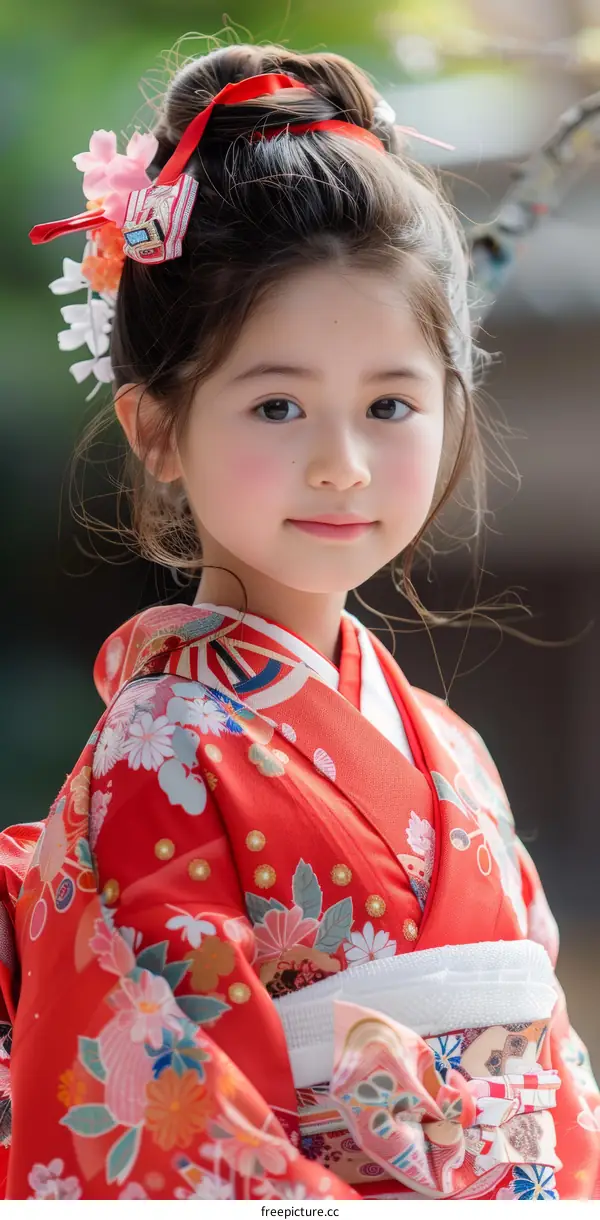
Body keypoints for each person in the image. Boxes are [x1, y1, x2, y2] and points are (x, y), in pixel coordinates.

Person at [1, 42, 598, 1201]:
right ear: (157, 429)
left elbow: (555, 1092)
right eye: (277, 403)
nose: (340, 463)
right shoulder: (159, 756)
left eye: (389, 403)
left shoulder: (451, 749)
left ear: (449, 408)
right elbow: (168, 1126)